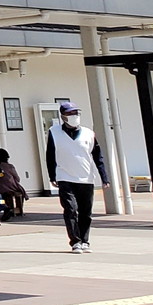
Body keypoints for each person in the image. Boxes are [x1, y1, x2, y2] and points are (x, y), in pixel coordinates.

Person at [45, 101, 108, 253]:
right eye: (70, 114)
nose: (74, 116)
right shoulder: (54, 132)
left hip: (86, 177)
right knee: (71, 209)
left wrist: (104, 177)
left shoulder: (88, 133)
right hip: (65, 176)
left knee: (86, 212)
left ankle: (85, 240)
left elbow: (98, 156)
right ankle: (75, 241)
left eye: (76, 113)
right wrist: (52, 175)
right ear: (63, 117)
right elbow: (50, 155)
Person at [0, 147, 27, 221]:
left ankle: (5, 208)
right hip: (11, 187)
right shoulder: (10, 167)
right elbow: (17, 179)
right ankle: (19, 210)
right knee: (20, 190)